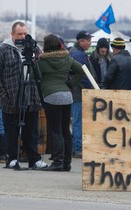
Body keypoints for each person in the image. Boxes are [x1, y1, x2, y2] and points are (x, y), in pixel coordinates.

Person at [0, 21, 47, 169]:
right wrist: (3, 96)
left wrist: (34, 51)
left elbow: (41, 66)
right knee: (11, 130)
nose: (22, 36)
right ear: (12, 34)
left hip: (30, 96)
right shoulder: (3, 50)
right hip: (11, 97)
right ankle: (12, 158)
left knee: (31, 130)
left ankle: (34, 159)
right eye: (19, 34)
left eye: (25, 33)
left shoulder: (32, 49)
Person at [37, 34, 85, 171]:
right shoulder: (67, 58)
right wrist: (70, 84)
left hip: (51, 96)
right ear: (59, 44)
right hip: (67, 96)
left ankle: (57, 161)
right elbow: (82, 71)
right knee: (65, 130)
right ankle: (67, 163)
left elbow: (36, 78)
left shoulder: (41, 61)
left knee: (55, 130)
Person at [69, 31, 96, 158]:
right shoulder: (78, 54)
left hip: (78, 91)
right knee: (78, 122)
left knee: (77, 121)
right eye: (88, 40)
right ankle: (78, 148)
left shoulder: (78, 53)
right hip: (78, 93)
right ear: (81, 41)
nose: (90, 42)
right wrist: (90, 88)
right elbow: (83, 75)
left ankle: (76, 147)